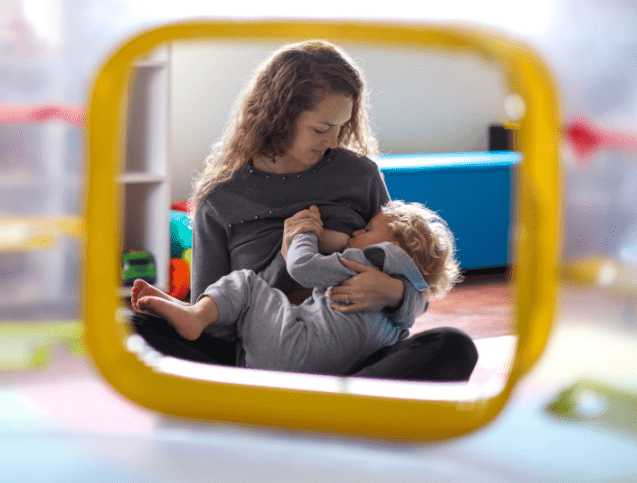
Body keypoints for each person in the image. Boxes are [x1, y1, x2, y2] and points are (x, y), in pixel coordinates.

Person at [130, 40, 478, 381]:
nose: (333, 141)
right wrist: (285, 260)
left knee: (454, 346)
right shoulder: (221, 198)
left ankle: (292, 413)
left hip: (357, 351)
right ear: (279, 117)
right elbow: (212, 326)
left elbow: (412, 273)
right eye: (321, 128)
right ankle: (341, 412)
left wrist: (394, 292)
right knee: (132, 328)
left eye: (342, 127)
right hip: (267, 357)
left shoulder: (360, 176)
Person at [131, 201, 461, 376]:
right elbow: (417, 304)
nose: (356, 232)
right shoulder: (404, 307)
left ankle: (196, 314)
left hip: (290, 348)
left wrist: (304, 234)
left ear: (395, 247)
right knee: (130, 322)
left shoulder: (373, 257)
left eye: (367, 228)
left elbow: (303, 268)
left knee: (247, 283)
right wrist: (403, 294)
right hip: (329, 368)